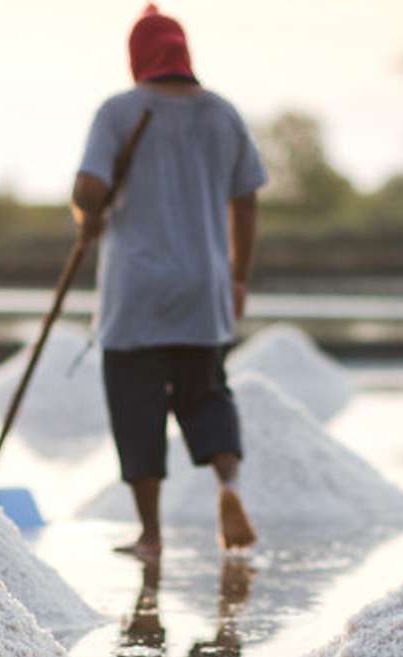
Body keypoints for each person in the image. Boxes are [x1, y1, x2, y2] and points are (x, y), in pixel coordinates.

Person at [72, 4, 266, 561]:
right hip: (203, 286)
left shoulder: (119, 111)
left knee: (137, 409)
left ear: (138, 57)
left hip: (136, 292)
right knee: (206, 395)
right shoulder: (222, 114)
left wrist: (89, 214)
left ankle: (151, 536)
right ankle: (228, 487)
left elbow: (89, 188)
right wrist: (238, 276)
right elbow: (246, 201)